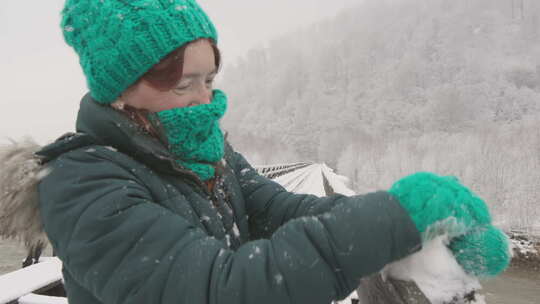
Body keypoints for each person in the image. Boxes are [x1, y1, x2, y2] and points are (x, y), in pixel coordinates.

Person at [28, 0, 509, 303]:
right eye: (182, 85)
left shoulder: (204, 150)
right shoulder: (82, 185)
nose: (203, 101)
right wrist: (390, 220)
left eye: (209, 80)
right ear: (119, 89)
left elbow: (278, 211)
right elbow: (219, 289)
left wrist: (414, 233)